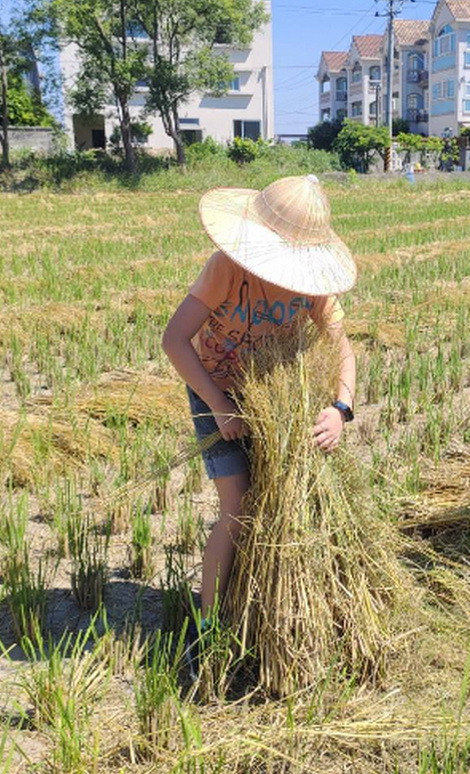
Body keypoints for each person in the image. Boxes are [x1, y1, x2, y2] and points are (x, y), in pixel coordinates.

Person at [161, 174, 358, 647]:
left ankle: (278, 604)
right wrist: (220, 406)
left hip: (277, 395)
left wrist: (340, 409)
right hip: (217, 388)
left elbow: (344, 350)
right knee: (238, 504)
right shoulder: (226, 268)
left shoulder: (313, 283)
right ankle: (208, 627)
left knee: (288, 499)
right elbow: (174, 340)